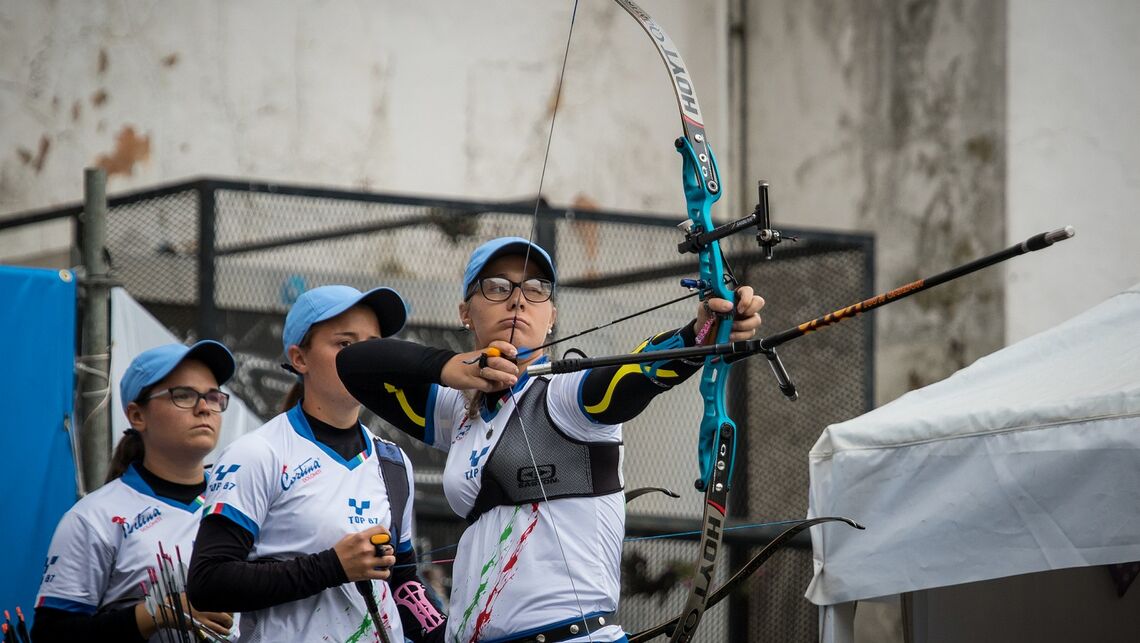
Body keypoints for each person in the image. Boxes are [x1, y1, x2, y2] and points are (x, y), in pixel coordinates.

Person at [336, 237, 764, 642]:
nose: (518, 299)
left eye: (536, 289)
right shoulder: (457, 409)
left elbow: (639, 371)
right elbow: (354, 364)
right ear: (465, 312)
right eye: (497, 286)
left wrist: (699, 334)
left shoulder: (566, 396)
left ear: (552, 315)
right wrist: (451, 367)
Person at [187, 285, 447, 643]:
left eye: (373, 346)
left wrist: (449, 633)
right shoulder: (257, 453)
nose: (364, 359)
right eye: (345, 344)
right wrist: (333, 566)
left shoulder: (393, 461)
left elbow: (402, 581)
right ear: (299, 359)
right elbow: (208, 582)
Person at [33, 340, 239, 642]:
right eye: (183, 395)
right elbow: (51, 634)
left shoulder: (242, 500)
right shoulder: (94, 517)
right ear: (137, 415)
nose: (204, 408)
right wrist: (156, 614)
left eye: (213, 396)